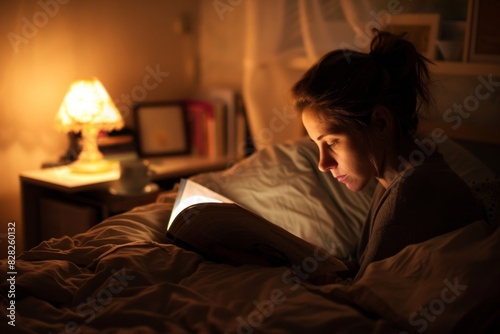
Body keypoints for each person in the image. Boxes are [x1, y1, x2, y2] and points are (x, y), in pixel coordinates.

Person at [290, 30, 484, 281]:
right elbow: (367, 269)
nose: (323, 164)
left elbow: (363, 293)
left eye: (332, 142)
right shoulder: (398, 177)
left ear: (380, 123)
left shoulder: (412, 190)